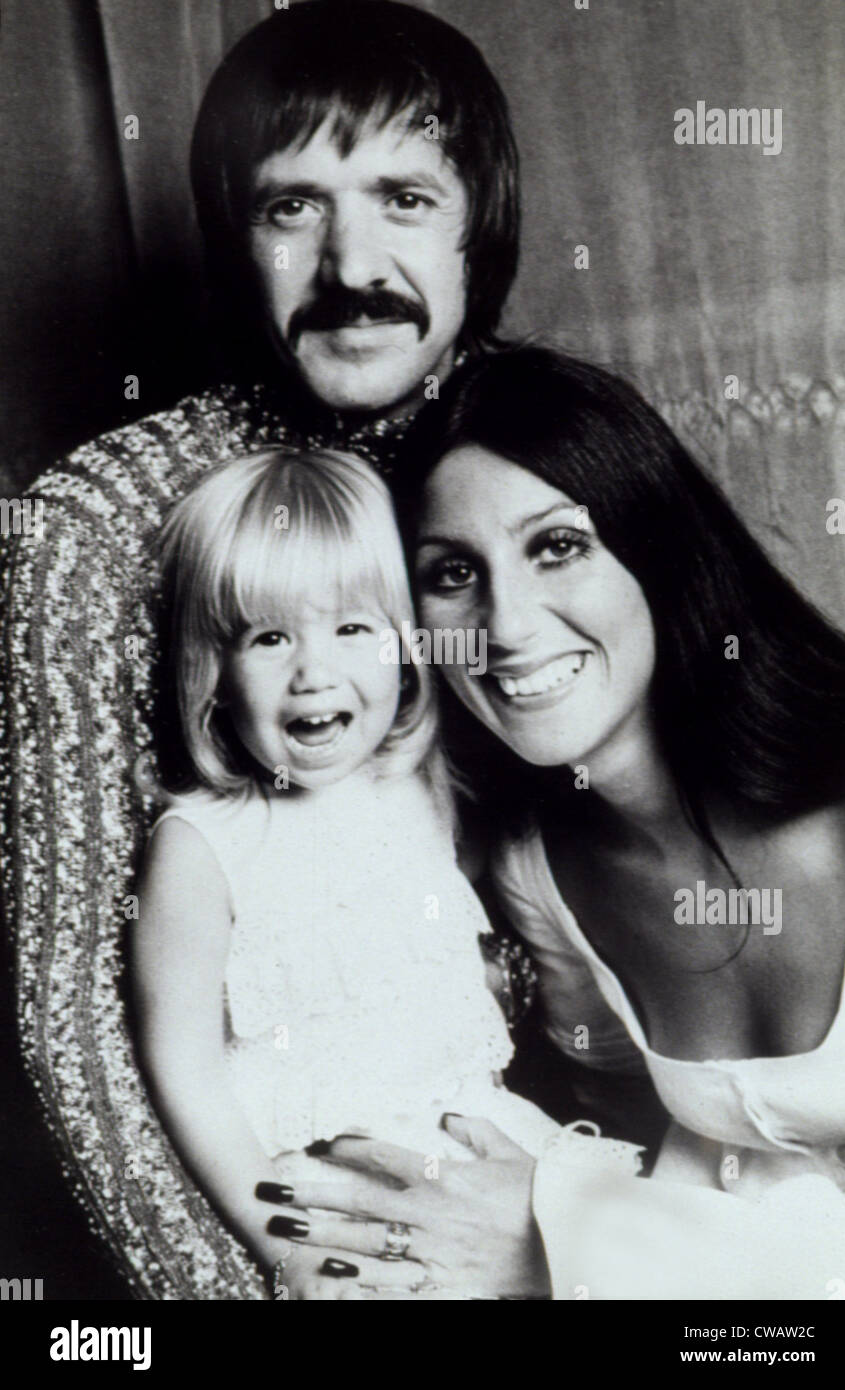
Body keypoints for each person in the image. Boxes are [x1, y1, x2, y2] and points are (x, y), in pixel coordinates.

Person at [0, 1, 524, 1298]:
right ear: (236, 242)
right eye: (291, 206)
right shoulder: (95, 525)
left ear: (481, 223)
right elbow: (81, 1025)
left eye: (403, 196)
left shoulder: (541, 465)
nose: (350, 260)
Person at [253, 345, 845, 1299]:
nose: (507, 624)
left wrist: (565, 1239)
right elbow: (627, 1132)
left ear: (657, 549)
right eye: (452, 573)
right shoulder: (539, 869)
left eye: (557, 546)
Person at [132, 445, 562, 1300]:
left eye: (353, 628)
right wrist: (279, 1239)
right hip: (348, 1203)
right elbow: (183, 1071)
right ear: (212, 676)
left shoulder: (421, 784)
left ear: (404, 649)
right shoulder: (202, 843)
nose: (313, 671)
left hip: (486, 1163)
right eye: (269, 636)